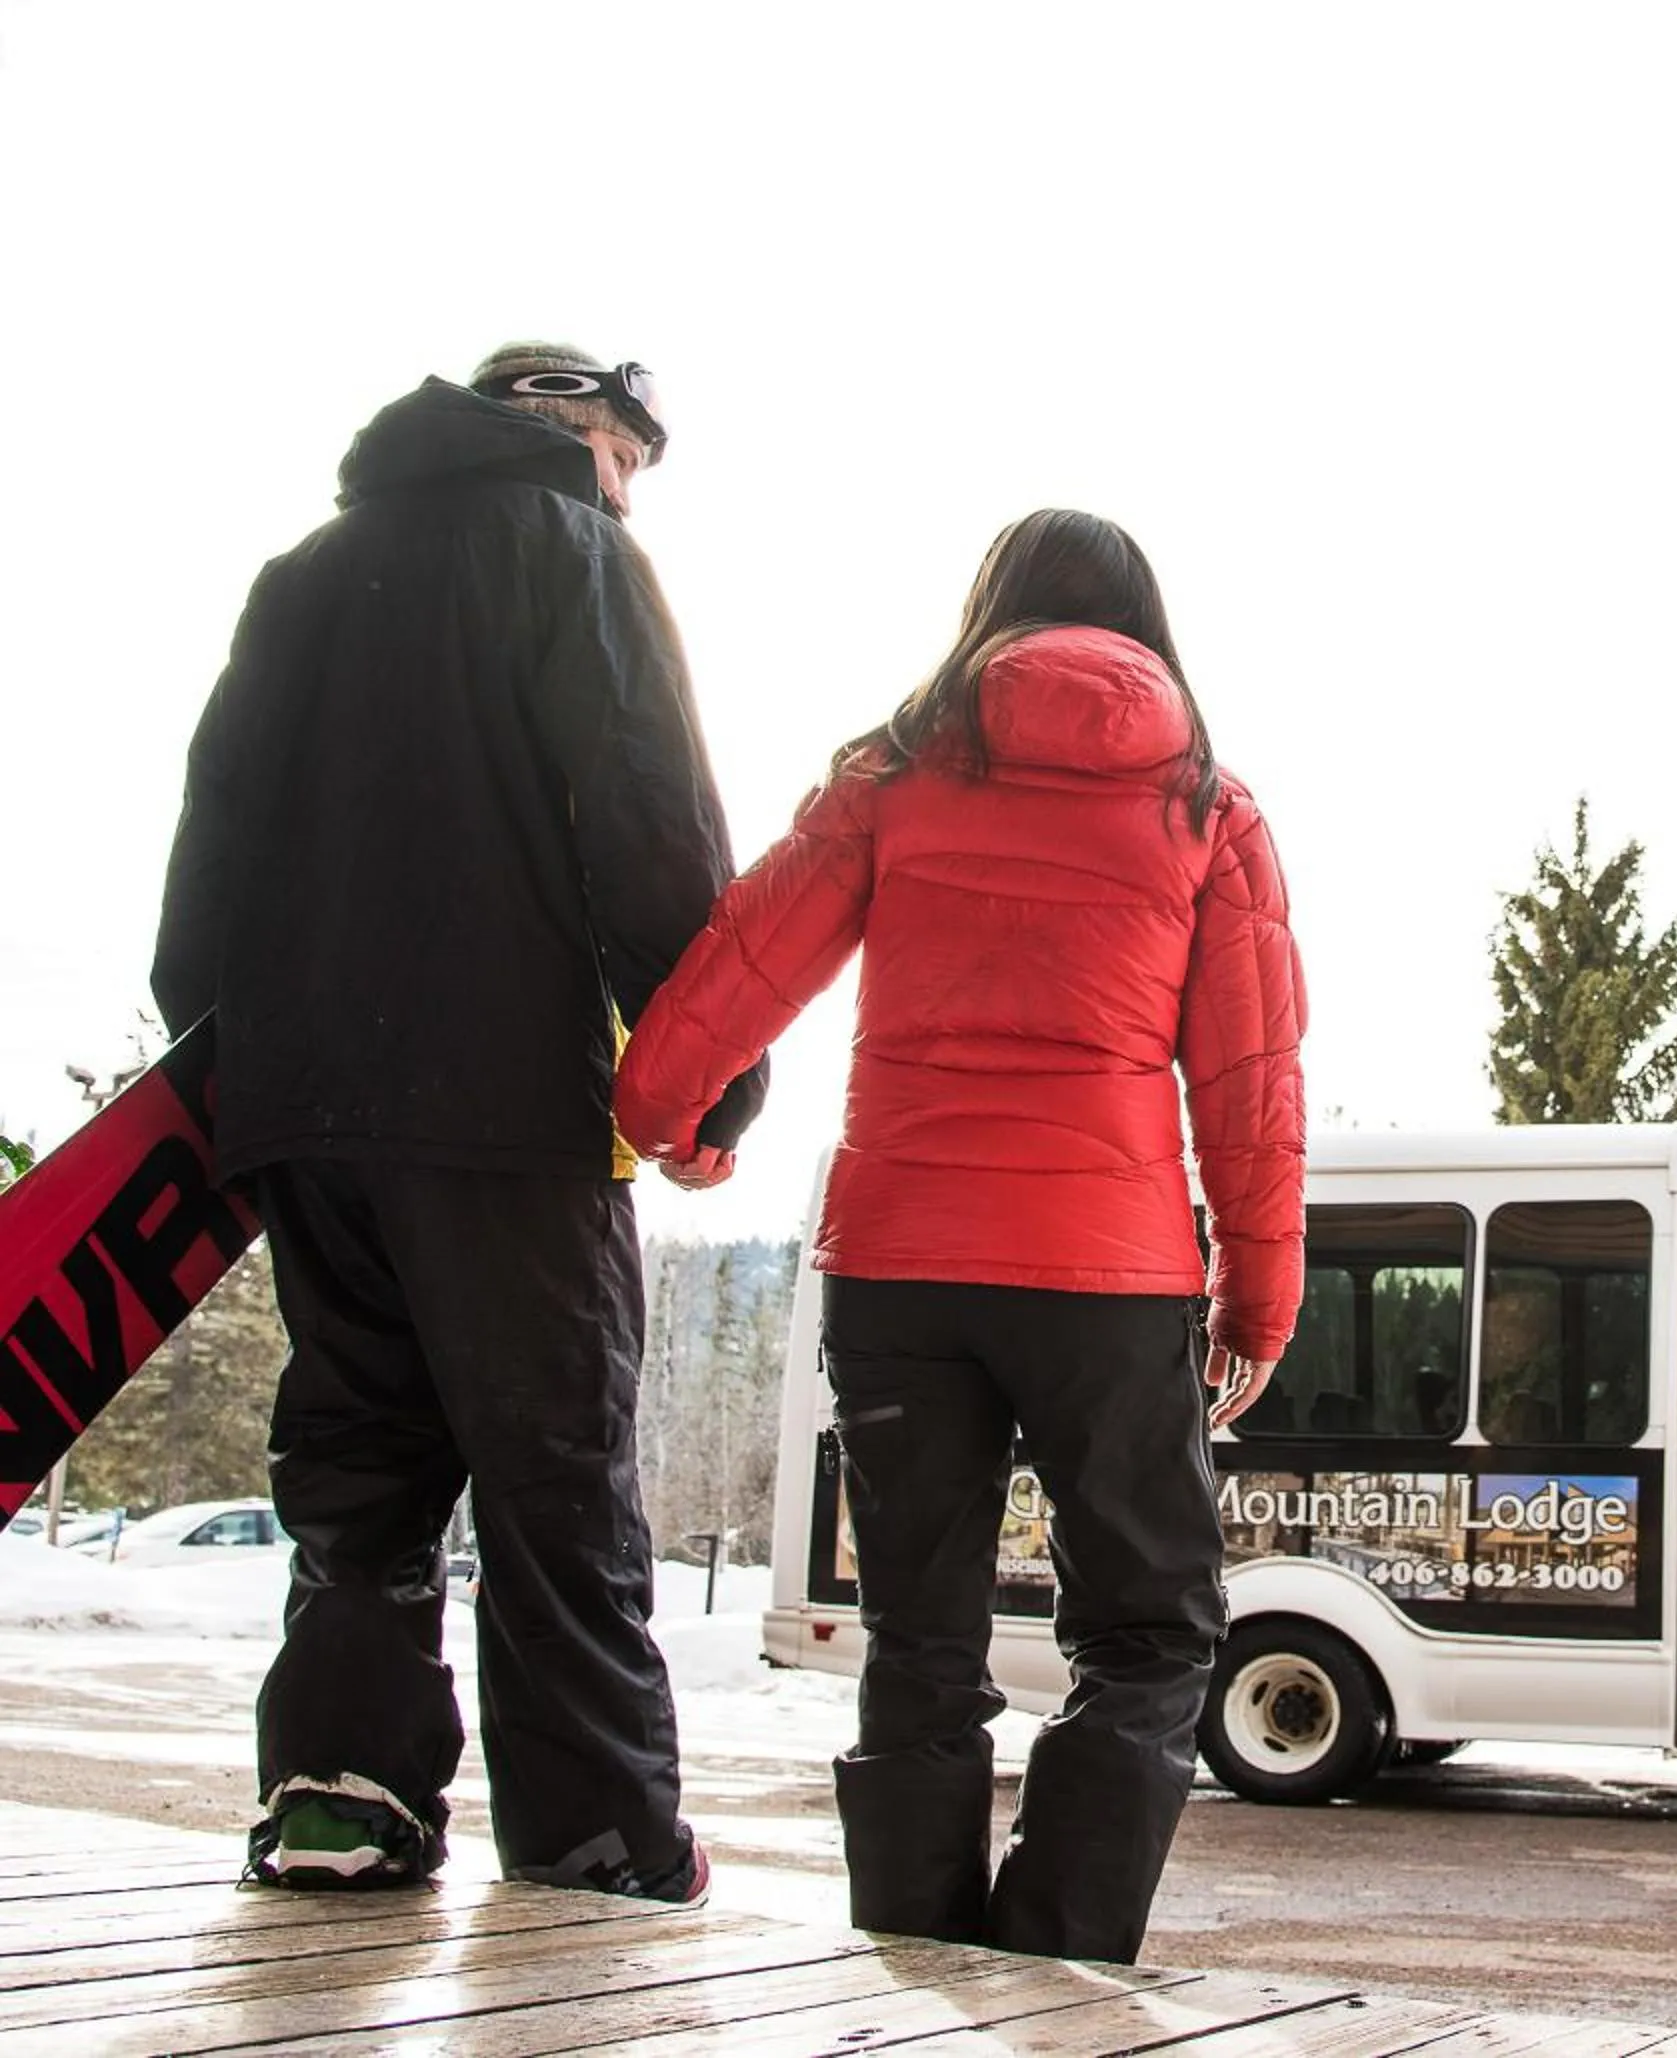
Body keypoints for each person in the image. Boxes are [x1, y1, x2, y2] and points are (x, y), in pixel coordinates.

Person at [613, 507, 1306, 1962]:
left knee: (920, 1641)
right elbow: (1249, 1082)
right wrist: (1258, 1295)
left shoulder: (896, 769)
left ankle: (917, 1961)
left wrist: (666, 1105)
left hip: (900, 1261)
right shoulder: (1207, 808)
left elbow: (754, 947)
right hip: (1109, 1279)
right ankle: (1053, 1948)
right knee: (1152, 1631)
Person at [152, 344, 764, 1899]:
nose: (629, 487)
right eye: (626, 454)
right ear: (571, 431)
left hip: (305, 1107)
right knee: (555, 1469)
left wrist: (231, 1068)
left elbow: (208, 836)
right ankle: (597, 1839)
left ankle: (342, 1795)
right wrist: (707, 1079)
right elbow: (650, 824)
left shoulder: (304, 576)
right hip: (503, 1108)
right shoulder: (579, 556)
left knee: (359, 1460)